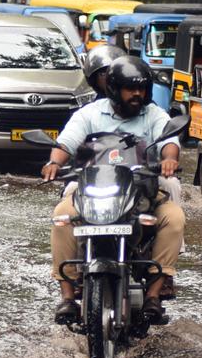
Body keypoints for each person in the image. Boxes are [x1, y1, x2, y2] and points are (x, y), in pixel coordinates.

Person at [43, 56, 186, 325]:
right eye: (130, 89)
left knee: (174, 217)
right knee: (62, 216)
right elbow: (66, 144)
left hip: (141, 189)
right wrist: (54, 163)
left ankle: (156, 291)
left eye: (142, 89)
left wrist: (169, 159)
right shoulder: (89, 114)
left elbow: (169, 140)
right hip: (93, 188)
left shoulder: (153, 114)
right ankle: (66, 295)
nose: (137, 94)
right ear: (113, 89)